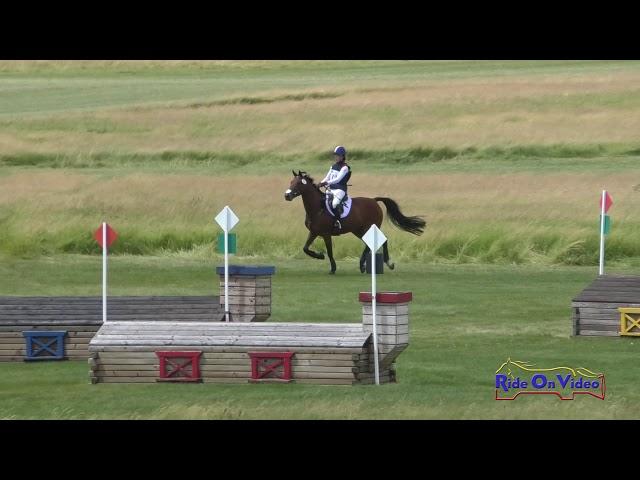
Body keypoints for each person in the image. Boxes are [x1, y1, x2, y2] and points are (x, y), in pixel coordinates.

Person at [318, 145, 351, 229]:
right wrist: (320, 183)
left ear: (342, 156)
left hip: (340, 190)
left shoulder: (345, 168)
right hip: (331, 189)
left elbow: (337, 179)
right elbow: (327, 177)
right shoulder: (333, 166)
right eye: (335, 155)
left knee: (335, 203)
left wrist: (326, 183)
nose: (336, 157)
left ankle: (338, 221)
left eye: (338, 155)